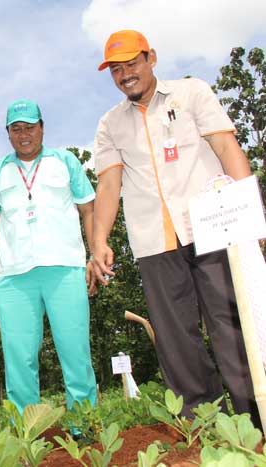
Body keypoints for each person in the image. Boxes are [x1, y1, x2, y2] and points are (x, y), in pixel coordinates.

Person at [91, 30, 259, 424]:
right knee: (174, 337)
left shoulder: (192, 93)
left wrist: (252, 212)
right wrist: (99, 240)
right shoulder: (110, 124)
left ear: (151, 58)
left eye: (131, 64)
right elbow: (108, 185)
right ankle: (203, 421)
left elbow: (226, 148)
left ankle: (254, 415)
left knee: (231, 321)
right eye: (116, 69)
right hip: (154, 241)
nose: (125, 74)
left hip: (213, 226)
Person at [0, 100, 97, 414]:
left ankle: (83, 427)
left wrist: (95, 254)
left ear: (42, 127)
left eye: (30, 127)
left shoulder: (65, 161)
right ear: (8, 133)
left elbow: (88, 210)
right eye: (16, 129)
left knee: (75, 353)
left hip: (65, 268)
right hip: (14, 276)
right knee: (18, 358)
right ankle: (25, 433)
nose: (24, 134)